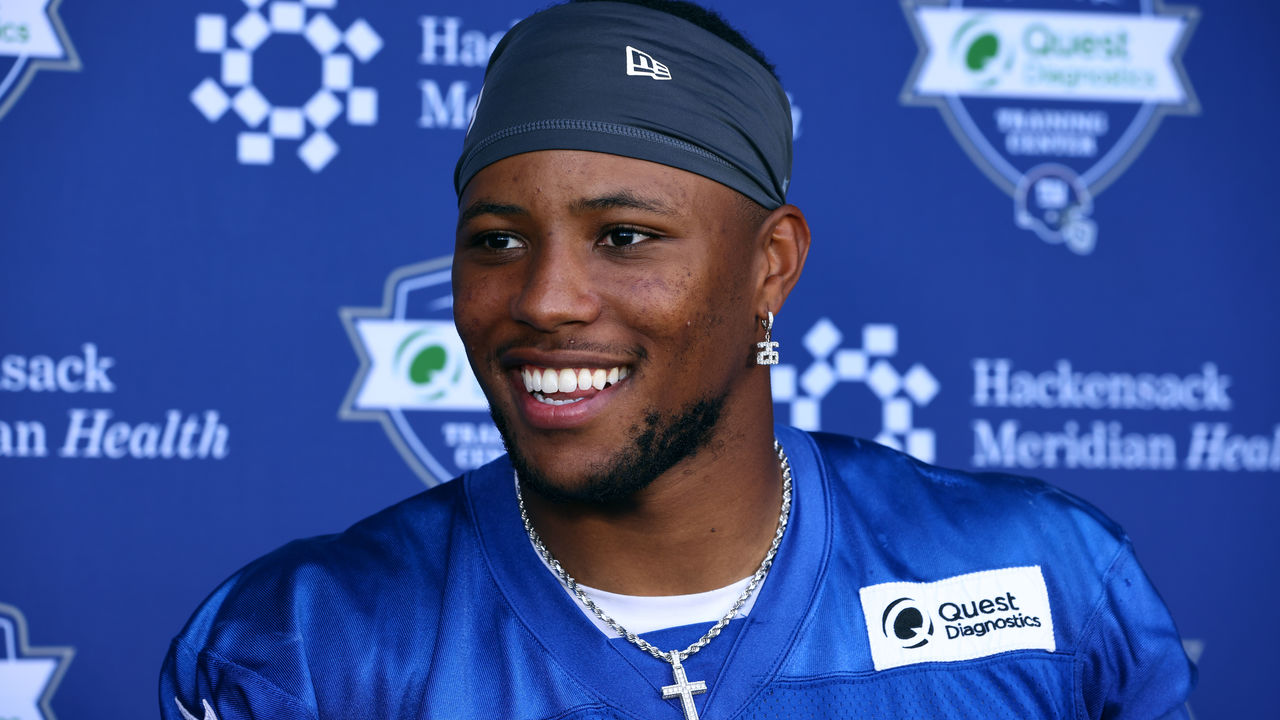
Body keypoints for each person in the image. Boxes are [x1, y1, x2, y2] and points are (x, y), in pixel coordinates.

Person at [160, 1, 1196, 718]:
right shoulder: (306, 646)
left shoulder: (1043, 581)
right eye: (496, 240)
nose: (543, 299)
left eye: (624, 236)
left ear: (769, 267)